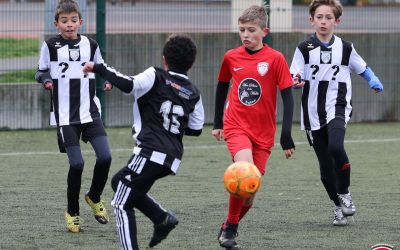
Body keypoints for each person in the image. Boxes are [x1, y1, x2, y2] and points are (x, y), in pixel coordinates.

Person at [82, 34, 204, 250]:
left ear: (164, 58)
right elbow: (195, 129)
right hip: (172, 157)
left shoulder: (156, 75)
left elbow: (129, 84)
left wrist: (99, 68)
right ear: (192, 64)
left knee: (121, 204)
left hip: (150, 151)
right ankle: (162, 218)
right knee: (119, 183)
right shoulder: (193, 91)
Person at [290, 0, 383, 226]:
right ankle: (337, 206)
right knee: (325, 170)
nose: (323, 21)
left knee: (336, 146)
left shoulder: (346, 48)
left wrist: (372, 79)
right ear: (311, 19)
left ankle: (345, 193)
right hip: (312, 114)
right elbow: (294, 74)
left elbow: (362, 67)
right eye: (319, 17)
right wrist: (296, 81)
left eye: (328, 17)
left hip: (337, 106)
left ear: (337, 21)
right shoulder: (304, 49)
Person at [212, 5, 296, 249]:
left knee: (250, 190)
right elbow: (221, 88)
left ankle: (228, 225)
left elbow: (288, 98)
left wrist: (286, 135)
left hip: (263, 133)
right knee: (244, 171)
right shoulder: (231, 56)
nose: (245, 35)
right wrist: (218, 123)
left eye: (251, 30)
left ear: (264, 31)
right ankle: (231, 231)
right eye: (242, 30)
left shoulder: (276, 59)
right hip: (236, 125)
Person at [35, 0, 112, 233]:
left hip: (90, 112)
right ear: (56, 23)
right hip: (65, 115)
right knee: (77, 164)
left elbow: (102, 68)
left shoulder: (91, 44)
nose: (69, 25)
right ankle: (72, 211)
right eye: (64, 21)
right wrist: (47, 80)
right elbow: (40, 71)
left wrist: (108, 80)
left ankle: (94, 197)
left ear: (81, 21)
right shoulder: (50, 46)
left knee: (106, 157)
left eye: (73, 20)